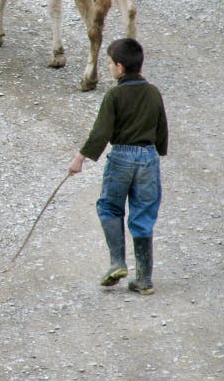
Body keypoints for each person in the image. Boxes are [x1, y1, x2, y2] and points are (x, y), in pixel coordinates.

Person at [68, 38, 168, 295]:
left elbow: (101, 132)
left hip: (122, 156)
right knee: (143, 214)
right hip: (148, 157)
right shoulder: (154, 92)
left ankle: (117, 263)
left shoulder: (114, 95)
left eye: (111, 64)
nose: (110, 68)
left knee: (110, 207)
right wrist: (159, 150)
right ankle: (144, 279)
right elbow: (161, 128)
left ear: (121, 67)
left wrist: (80, 158)